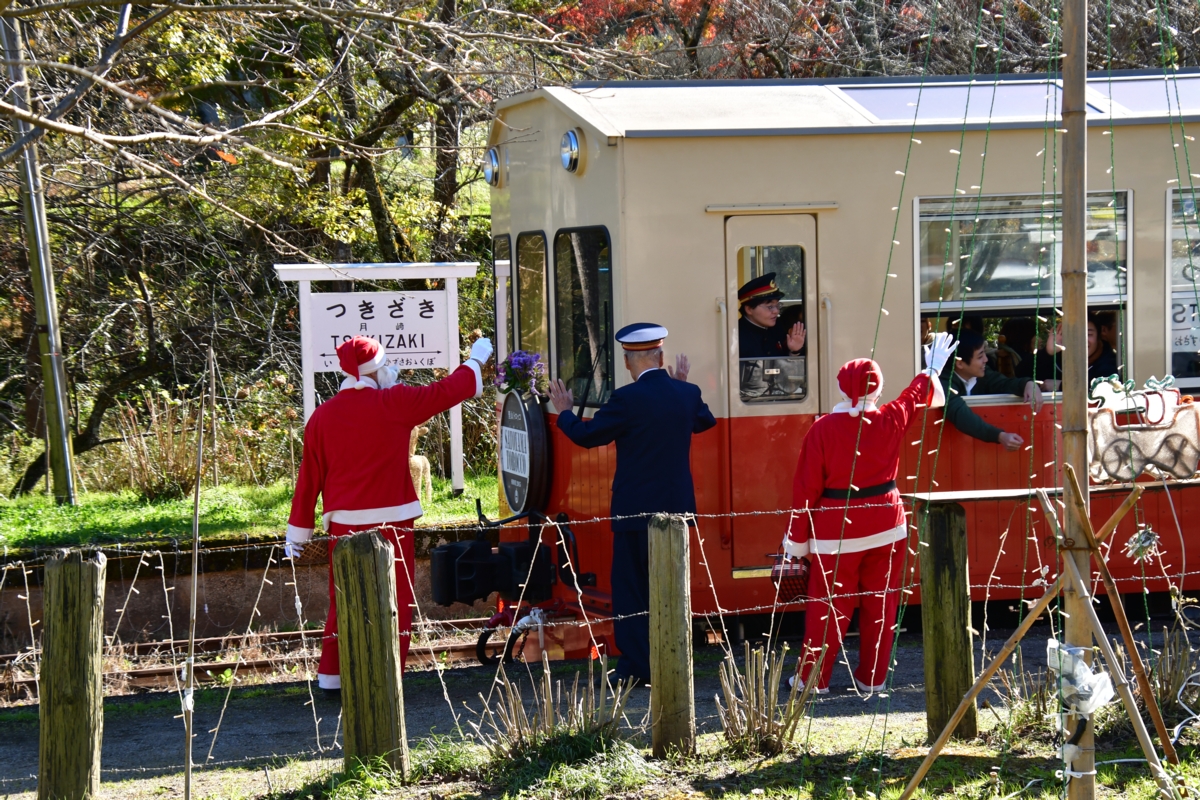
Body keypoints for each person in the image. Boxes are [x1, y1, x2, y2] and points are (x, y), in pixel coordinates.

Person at [285, 335, 493, 692]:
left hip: (344, 524)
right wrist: (475, 361)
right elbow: (445, 391)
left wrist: (298, 532)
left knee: (344, 599)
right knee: (396, 599)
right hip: (393, 522)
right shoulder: (394, 402)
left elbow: (309, 479)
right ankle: (387, 674)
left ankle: (333, 677)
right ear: (377, 370)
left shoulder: (322, 416)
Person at [782, 333, 956, 694]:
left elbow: (805, 491)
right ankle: (872, 678)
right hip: (888, 524)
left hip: (836, 530)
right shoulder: (892, 418)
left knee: (829, 607)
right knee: (882, 603)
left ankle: (812, 680)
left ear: (842, 389)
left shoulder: (822, 429)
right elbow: (914, 395)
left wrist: (796, 541)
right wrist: (932, 368)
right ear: (879, 389)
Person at [548, 323, 716, 685]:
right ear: (662, 356)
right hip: (676, 511)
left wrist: (564, 411)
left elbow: (586, 436)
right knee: (670, 589)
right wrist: (683, 384)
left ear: (627, 361)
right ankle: (673, 661)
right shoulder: (686, 394)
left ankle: (637, 667)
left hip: (634, 513)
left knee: (632, 592)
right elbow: (703, 421)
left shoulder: (627, 399)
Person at [942, 330, 1043, 451]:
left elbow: (1003, 383)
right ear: (960, 364)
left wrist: (1028, 383)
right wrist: (999, 436)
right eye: (980, 356)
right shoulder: (942, 382)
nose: (986, 359)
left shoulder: (983, 374)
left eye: (984, 353)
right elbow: (960, 414)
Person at [737, 273, 806, 358]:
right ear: (749, 309)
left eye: (777, 305)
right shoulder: (735, 335)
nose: (776, 311)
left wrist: (795, 351)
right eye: (770, 307)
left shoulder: (779, 328)